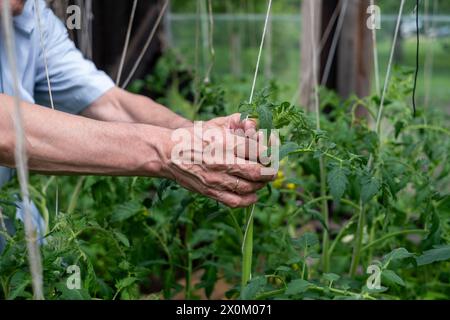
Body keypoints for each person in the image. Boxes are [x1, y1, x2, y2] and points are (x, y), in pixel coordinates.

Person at [0, 0, 274, 210]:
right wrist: (169, 149)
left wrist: (197, 134)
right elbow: (6, 134)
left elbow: (110, 103)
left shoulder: (30, 14)